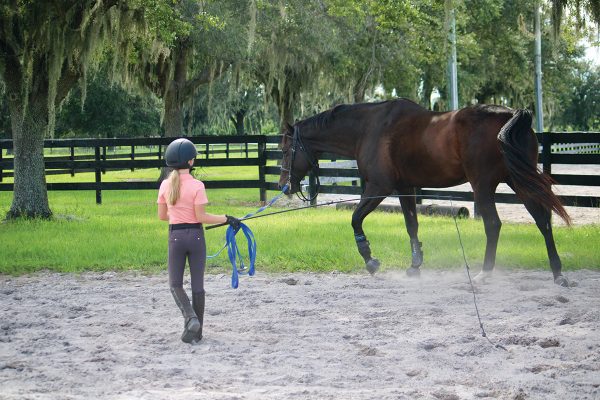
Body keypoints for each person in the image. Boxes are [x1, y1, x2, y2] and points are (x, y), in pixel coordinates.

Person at [157, 138, 240, 344]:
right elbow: (201, 216)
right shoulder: (197, 185)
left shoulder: (165, 185)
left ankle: (190, 318)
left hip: (175, 236)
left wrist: (178, 214)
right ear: (191, 162)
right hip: (195, 236)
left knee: (175, 284)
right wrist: (226, 219)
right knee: (198, 286)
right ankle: (198, 330)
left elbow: (162, 216)